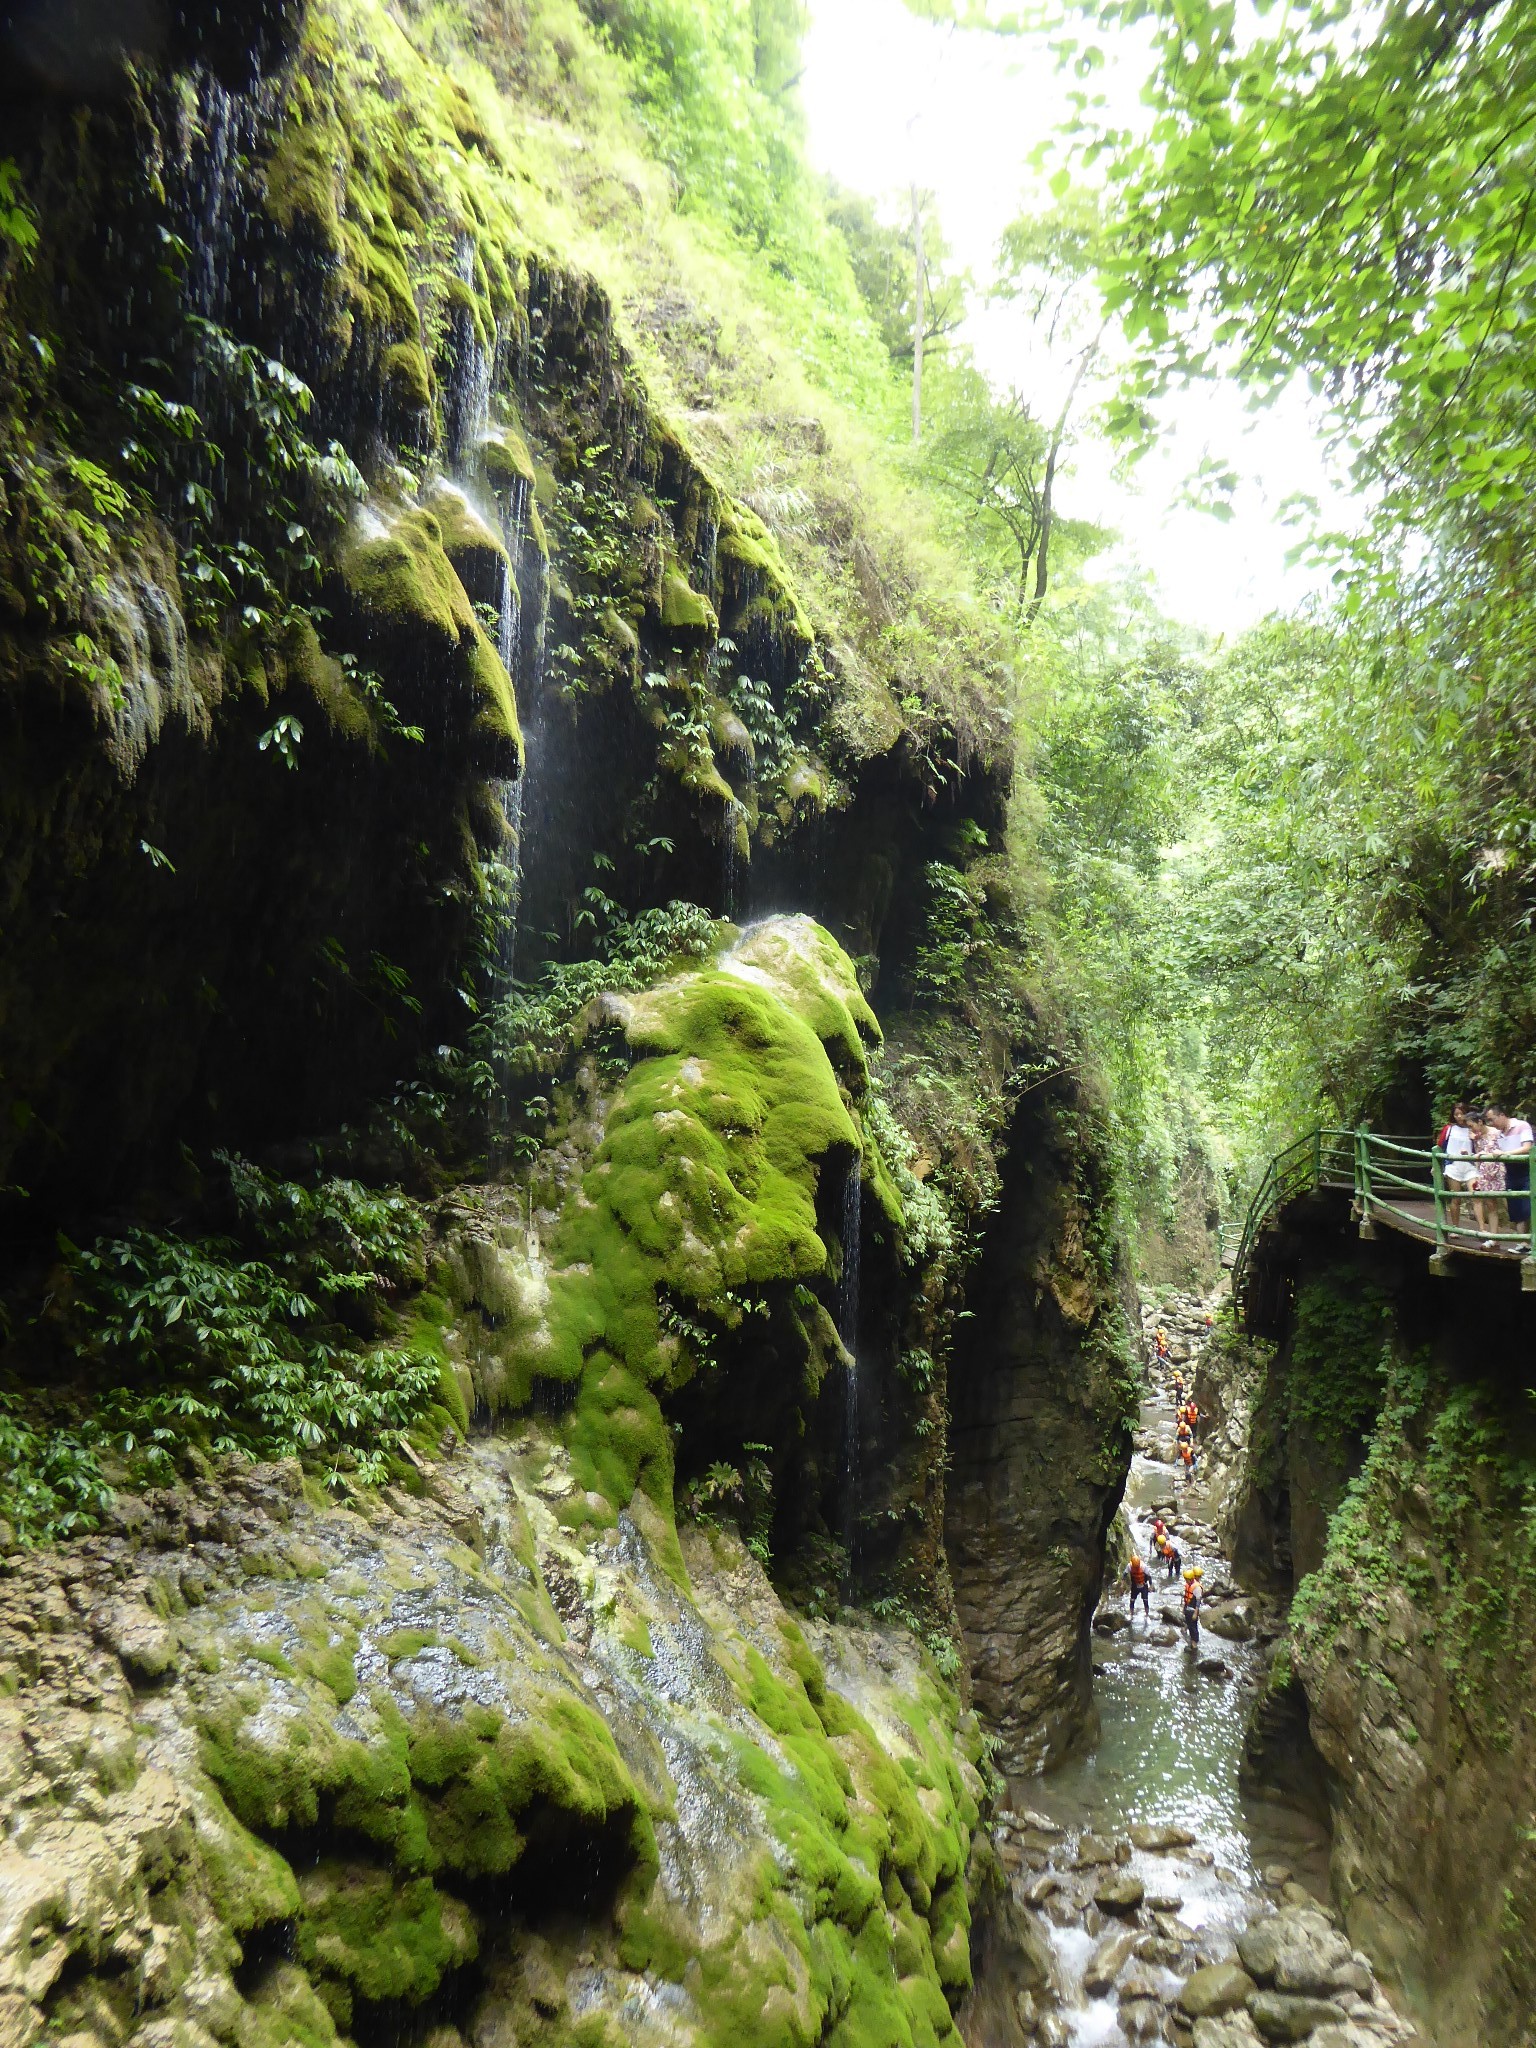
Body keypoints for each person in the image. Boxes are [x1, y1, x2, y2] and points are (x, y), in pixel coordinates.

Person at [1488, 1107, 1534, 1234]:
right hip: (1510, 1172)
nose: (1491, 1124)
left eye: (1492, 1120)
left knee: (1528, 1207)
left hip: (1527, 1171)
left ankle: (1532, 1242)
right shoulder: (1498, 1134)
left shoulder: (1522, 1126)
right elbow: (1493, 1150)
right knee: (1515, 1209)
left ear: (1502, 1115)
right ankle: (1523, 1243)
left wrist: (1505, 1153)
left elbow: (1527, 1148)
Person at [1472, 1114, 1507, 1246]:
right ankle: (1494, 1238)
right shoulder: (1477, 1137)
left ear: (1480, 1122)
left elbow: (1504, 1149)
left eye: (1472, 1126)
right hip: (1485, 1174)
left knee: (1508, 1202)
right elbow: (1477, 1155)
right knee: (1491, 1205)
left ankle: (1525, 1240)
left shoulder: (1497, 1133)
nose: (1472, 1129)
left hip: (1500, 1172)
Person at [1441, 1105, 1477, 1231]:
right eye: (1456, 1114)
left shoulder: (1472, 1128)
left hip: (1470, 1165)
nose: (1459, 1117)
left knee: (1476, 1195)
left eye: (1461, 1113)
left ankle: (1482, 1228)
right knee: (1456, 1198)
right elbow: (1440, 1147)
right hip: (1453, 1165)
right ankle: (1455, 1227)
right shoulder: (1449, 1129)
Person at [1127, 1552, 1150, 1621]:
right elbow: (1125, 1574)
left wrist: (1151, 1585)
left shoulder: (1144, 1566)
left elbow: (1149, 1576)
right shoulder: (1129, 1566)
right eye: (1135, 1567)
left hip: (1143, 1585)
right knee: (1132, 1600)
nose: (1136, 1568)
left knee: (1145, 1600)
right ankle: (1131, 1614)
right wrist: (1122, 1581)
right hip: (1135, 1585)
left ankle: (1147, 1615)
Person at [1182, 1566, 1202, 1646]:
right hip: (1188, 1608)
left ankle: (1195, 1643)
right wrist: (1184, 1607)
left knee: (1193, 1627)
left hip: (1193, 1609)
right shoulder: (1189, 1585)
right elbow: (1186, 1597)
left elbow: (1198, 1601)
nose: (1186, 1581)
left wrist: (1195, 1612)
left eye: (1187, 1579)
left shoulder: (1197, 1588)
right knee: (1190, 1625)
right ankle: (1191, 1639)